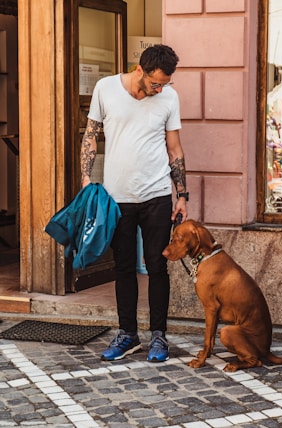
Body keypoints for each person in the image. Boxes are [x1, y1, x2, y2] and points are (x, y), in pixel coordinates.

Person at [80, 44, 188, 362]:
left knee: (157, 267)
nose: (160, 89)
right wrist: (86, 178)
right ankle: (128, 335)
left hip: (156, 196)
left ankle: (158, 337)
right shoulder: (106, 89)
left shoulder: (169, 97)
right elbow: (90, 134)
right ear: (139, 70)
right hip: (117, 198)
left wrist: (182, 195)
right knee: (124, 267)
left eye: (164, 84)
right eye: (156, 82)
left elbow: (175, 149)